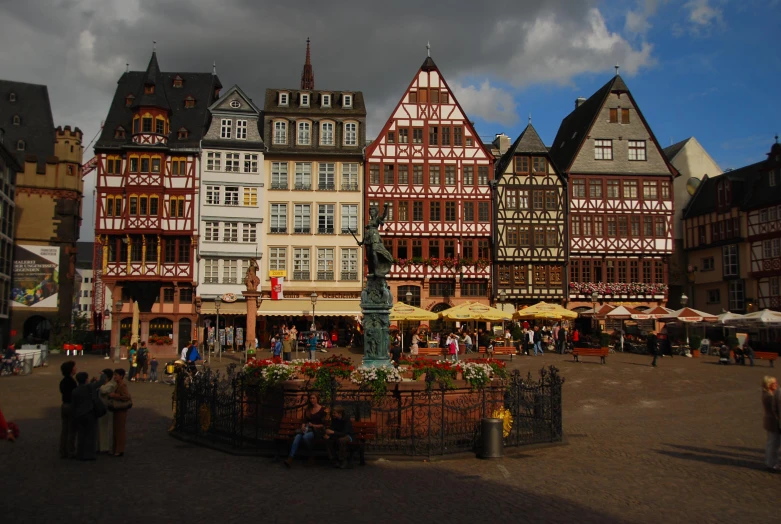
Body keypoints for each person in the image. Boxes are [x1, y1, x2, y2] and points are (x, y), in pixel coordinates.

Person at [284, 393, 326, 468]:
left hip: (316, 431)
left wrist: (313, 425)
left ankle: (311, 455)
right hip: (307, 429)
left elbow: (323, 425)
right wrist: (303, 426)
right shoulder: (308, 409)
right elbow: (304, 420)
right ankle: (290, 458)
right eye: (310, 398)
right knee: (297, 437)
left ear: (317, 399)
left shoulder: (321, 410)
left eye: (313, 398)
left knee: (305, 437)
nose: (312, 400)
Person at [71, 371, 106, 461]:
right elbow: (101, 382)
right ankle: (89, 454)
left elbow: (74, 405)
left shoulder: (75, 390)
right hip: (89, 413)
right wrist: (103, 374)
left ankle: (80, 453)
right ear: (86, 379)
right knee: (90, 434)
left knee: (81, 435)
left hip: (79, 415)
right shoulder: (89, 387)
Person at [109, 369, 131, 456]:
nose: (114, 377)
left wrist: (114, 395)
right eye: (114, 375)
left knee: (120, 430)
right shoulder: (117, 384)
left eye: (116, 375)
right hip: (117, 409)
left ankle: (119, 449)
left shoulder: (122, 385)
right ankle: (116, 449)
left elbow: (126, 396)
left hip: (121, 409)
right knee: (116, 429)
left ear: (121, 376)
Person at [761, 376, 781, 473]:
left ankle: (771, 462)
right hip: (773, 422)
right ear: (769, 385)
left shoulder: (768, 394)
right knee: (773, 444)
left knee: (772, 443)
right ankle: (772, 464)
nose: (776, 384)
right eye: (774, 383)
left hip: (770, 421)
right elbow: (776, 410)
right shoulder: (770, 396)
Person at [59, 360, 78, 459]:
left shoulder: (63, 381)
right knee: (72, 430)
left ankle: (63, 450)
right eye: (74, 367)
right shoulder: (72, 382)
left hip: (64, 405)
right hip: (71, 406)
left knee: (64, 429)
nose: (76, 369)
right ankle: (71, 450)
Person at [97, 368, 116, 454]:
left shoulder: (111, 385)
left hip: (106, 408)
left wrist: (98, 384)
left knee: (104, 428)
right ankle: (99, 446)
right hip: (99, 409)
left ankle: (104, 447)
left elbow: (103, 390)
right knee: (99, 428)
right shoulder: (105, 384)